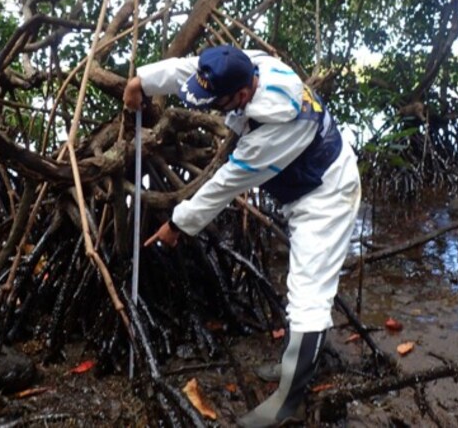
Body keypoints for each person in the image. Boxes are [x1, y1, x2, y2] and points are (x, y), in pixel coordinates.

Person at [123, 44, 361, 427]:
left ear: (242, 96)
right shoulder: (248, 65)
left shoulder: (278, 125)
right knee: (301, 287)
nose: (211, 108)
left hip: (327, 195)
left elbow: (225, 185)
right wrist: (142, 81)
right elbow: (190, 69)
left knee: (308, 293)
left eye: (216, 103)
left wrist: (178, 224)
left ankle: (289, 402)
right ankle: (295, 364)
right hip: (305, 183)